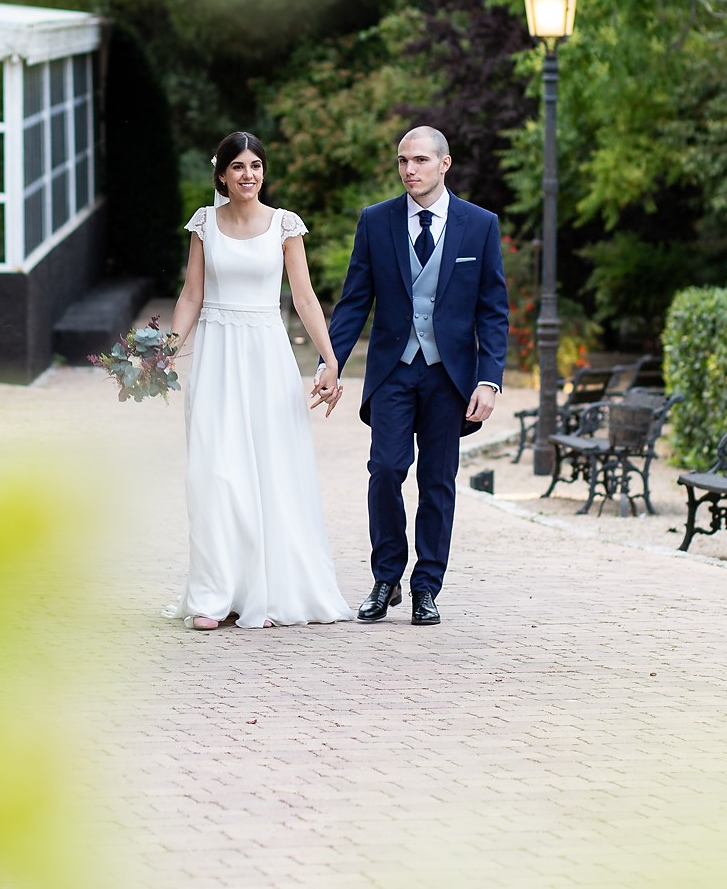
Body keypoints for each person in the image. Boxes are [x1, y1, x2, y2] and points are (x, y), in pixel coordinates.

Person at [323, 126, 508, 627]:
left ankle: (427, 586)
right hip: (393, 370)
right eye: (404, 160)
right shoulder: (375, 220)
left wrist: (489, 380)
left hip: (450, 377)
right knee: (385, 470)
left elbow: (493, 310)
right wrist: (330, 362)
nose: (410, 170)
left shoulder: (480, 224)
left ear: (444, 164)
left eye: (421, 160)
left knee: (437, 481)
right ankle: (386, 578)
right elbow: (355, 301)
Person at [168, 132, 353, 630]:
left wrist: (330, 360)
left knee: (271, 470)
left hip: (267, 356)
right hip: (216, 356)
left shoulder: (285, 225)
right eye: (237, 167)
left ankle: (265, 592)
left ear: (263, 172)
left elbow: (305, 298)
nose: (247, 175)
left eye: (255, 166)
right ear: (222, 175)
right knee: (214, 472)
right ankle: (213, 595)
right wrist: (164, 352)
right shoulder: (204, 224)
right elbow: (191, 296)